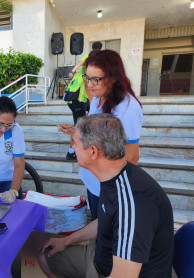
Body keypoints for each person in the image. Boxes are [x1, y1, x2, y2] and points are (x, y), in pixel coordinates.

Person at [39, 114, 174, 278]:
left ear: (93, 151)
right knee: (45, 256)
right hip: (100, 256)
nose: (73, 148)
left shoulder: (134, 201)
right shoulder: (113, 175)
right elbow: (105, 218)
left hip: (117, 272)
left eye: (76, 143)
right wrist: (66, 241)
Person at [59, 50, 143, 220]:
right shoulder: (99, 97)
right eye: (87, 78)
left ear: (114, 77)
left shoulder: (127, 108)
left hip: (107, 186)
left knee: (105, 234)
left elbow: (132, 156)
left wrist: (109, 188)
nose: (90, 84)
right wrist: (77, 132)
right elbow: (101, 133)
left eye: (96, 79)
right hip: (93, 180)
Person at [64, 41, 103, 161]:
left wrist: (72, 71)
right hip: (76, 100)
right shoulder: (88, 71)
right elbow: (87, 88)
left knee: (88, 121)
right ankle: (71, 153)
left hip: (78, 99)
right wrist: (92, 107)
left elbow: (79, 64)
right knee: (78, 127)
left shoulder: (85, 66)